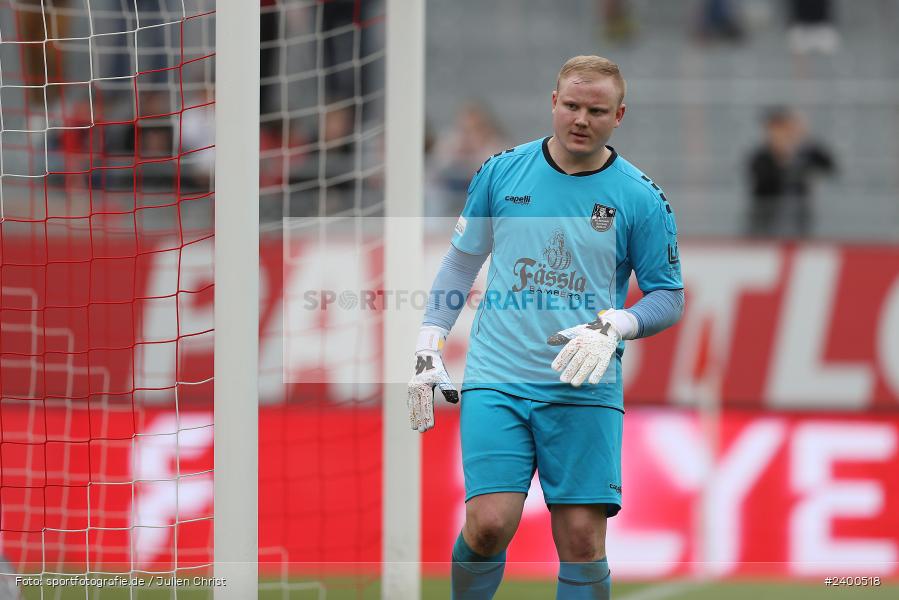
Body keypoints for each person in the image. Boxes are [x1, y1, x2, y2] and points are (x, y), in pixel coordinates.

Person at [407, 56, 685, 600]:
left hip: (583, 384)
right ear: (553, 103)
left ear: (619, 115)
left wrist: (619, 323)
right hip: (497, 379)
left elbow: (668, 296)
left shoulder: (640, 198)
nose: (582, 119)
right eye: (573, 105)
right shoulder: (501, 172)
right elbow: (462, 263)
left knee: (582, 538)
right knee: (489, 524)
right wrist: (428, 340)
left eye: (597, 110)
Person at [746, 107, 836, 238]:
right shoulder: (761, 156)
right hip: (766, 220)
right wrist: (781, 158)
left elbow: (829, 166)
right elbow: (763, 181)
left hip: (798, 217)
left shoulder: (805, 153)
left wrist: (805, 140)